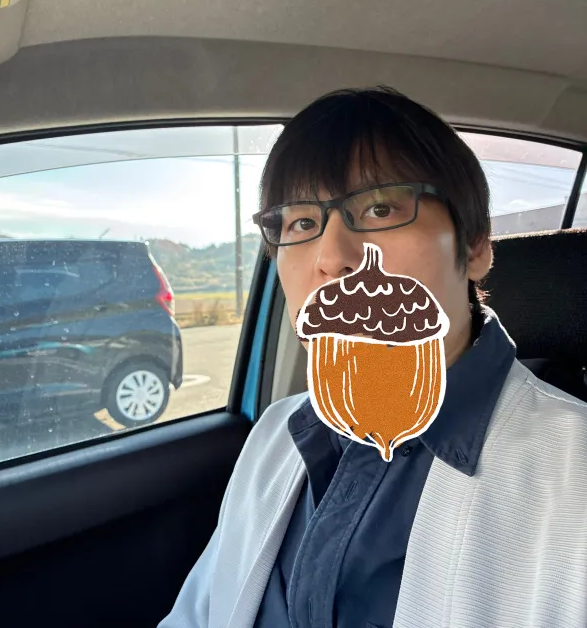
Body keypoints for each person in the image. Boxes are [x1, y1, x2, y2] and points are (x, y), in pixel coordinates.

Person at [159, 87, 587, 628]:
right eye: (301, 224)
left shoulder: (574, 478)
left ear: (475, 245)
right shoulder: (275, 435)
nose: (333, 258)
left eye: (380, 208)